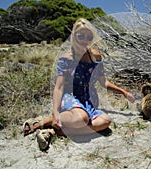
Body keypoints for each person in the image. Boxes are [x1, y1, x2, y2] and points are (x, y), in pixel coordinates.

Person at [23, 18, 135, 151]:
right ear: (74, 36)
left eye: (89, 36)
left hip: (89, 99)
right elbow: (58, 88)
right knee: (82, 118)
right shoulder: (66, 59)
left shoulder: (96, 57)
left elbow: (103, 81)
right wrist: (56, 112)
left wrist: (123, 92)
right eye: (81, 36)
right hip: (70, 97)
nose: (85, 40)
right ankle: (49, 120)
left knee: (105, 121)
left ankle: (55, 131)